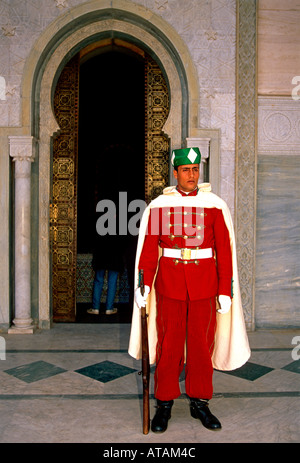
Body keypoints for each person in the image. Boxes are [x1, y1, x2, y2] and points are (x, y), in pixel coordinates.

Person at [128, 147, 250, 433]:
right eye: (186, 170)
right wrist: (143, 284)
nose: (191, 175)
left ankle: (200, 402)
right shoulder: (159, 206)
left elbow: (224, 250)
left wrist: (224, 290)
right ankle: (165, 404)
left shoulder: (214, 205)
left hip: (204, 287)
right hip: (169, 285)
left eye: (195, 170)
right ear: (176, 173)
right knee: (169, 347)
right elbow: (149, 250)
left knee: (200, 347)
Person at [88, 234, 122, 315]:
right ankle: (109, 309)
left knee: (98, 281)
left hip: (100, 255)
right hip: (114, 255)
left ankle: (95, 308)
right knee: (112, 282)